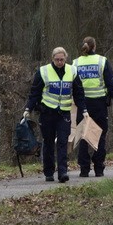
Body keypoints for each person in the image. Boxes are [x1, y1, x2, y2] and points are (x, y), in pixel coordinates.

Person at [24, 47, 86, 183]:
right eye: (57, 60)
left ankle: (63, 171)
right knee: (48, 142)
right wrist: (28, 108)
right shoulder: (43, 71)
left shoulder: (72, 71)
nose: (59, 62)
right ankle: (49, 172)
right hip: (47, 112)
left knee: (63, 142)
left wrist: (84, 110)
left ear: (66, 59)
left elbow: (78, 93)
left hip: (64, 112)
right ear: (52, 59)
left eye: (62, 60)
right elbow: (35, 92)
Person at [72, 36, 113, 177]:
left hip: (82, 104)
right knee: (100, 135)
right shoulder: (102, 61)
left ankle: (84, 168)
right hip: (99, 104)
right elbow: (112, 83)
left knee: (82, 136)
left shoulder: (75, 63)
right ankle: (99, 168)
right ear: (94, 47)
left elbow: (72, 85)